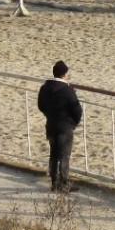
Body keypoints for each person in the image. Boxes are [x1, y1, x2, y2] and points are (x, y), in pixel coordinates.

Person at [37, 61, 83, 192]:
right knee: (64, 155)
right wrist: (73, 124)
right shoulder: (68, 91)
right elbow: (77, 111)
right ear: (64, 74)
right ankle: (64, 183)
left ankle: (54, 182)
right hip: (65, 127)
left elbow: (40, 105)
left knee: (53, 154)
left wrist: (49, 115)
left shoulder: (45, 87)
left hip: (51, 124)